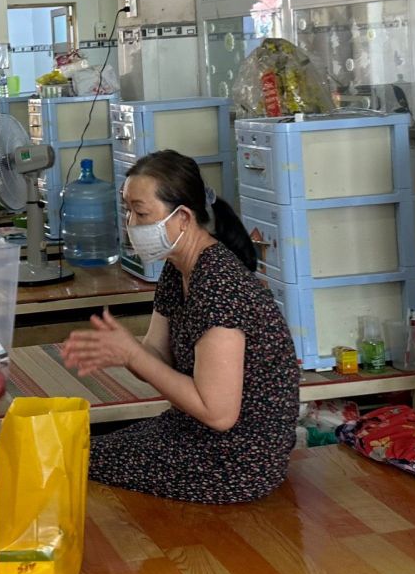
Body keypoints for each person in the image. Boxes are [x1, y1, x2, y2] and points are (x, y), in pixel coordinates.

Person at [61, 150, 298, 505]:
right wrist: (124, 351)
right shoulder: (178, 268)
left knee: (74, 460)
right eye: (128, 211)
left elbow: (218, 414)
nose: (131, 224)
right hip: (194, 431)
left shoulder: (219, 285)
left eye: (141, 213)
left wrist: (132, 355)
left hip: (238, 459)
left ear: (183, 217)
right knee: (78, 447)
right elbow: (157, 354)